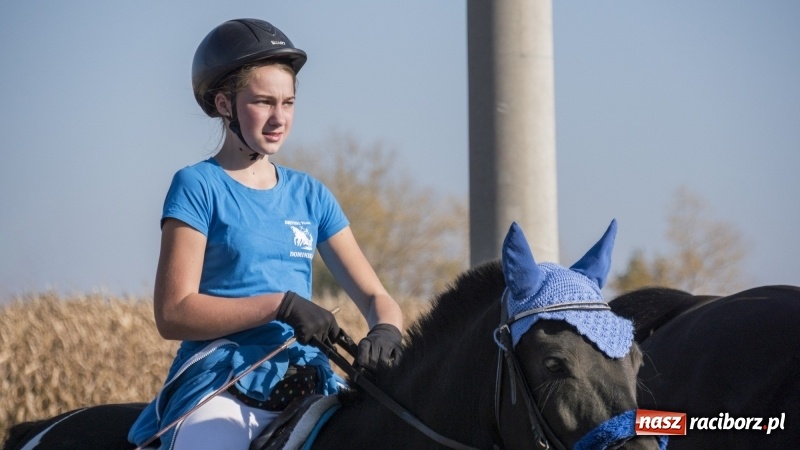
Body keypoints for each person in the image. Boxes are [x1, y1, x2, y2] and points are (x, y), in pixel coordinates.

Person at [128, 18, 404, 450]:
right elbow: (173, 313)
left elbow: (375, 297)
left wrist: (386, 329)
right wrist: (280, 305)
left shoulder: (311, 195)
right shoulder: (197, 186)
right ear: (225, 104)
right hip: (222, 386)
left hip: (311, 382)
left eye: (288, 103)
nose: (279, 118)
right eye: (263, 102)